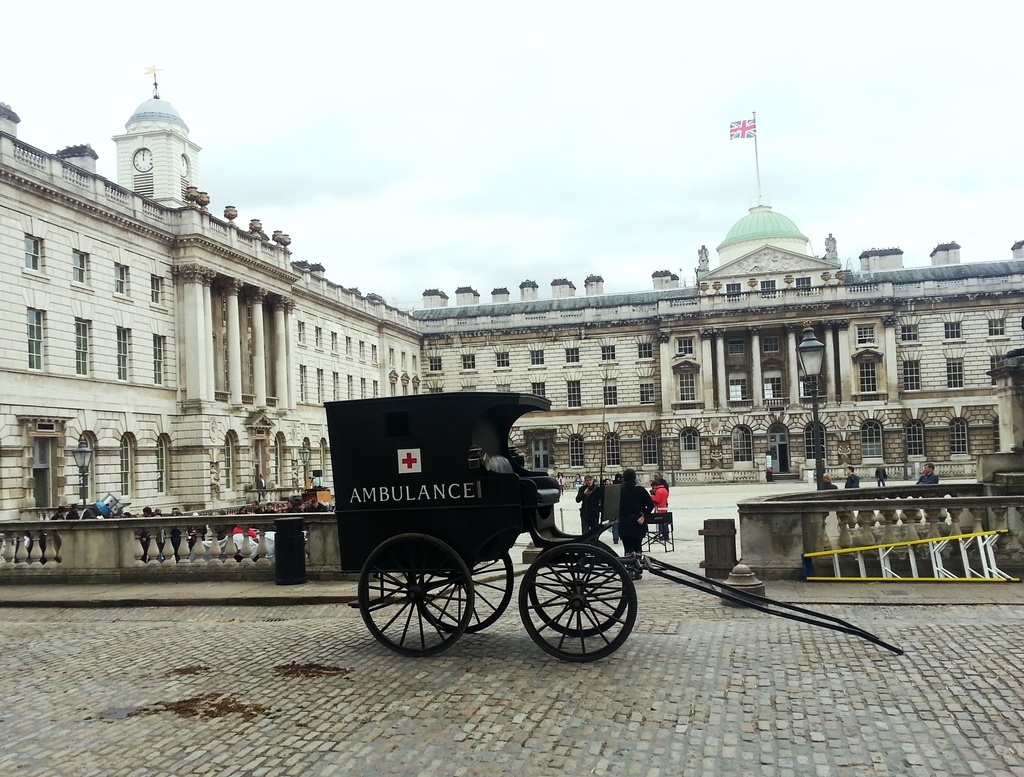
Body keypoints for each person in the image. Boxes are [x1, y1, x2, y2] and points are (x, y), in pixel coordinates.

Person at [616, 469, 654, 579]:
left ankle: (630, 569)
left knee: (628, 548)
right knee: (638, 547)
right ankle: (637, 569)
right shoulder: (641, 490)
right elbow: (650, 506)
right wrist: (643, 516)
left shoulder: (620, 491)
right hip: (638, 521)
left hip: (625, 522)